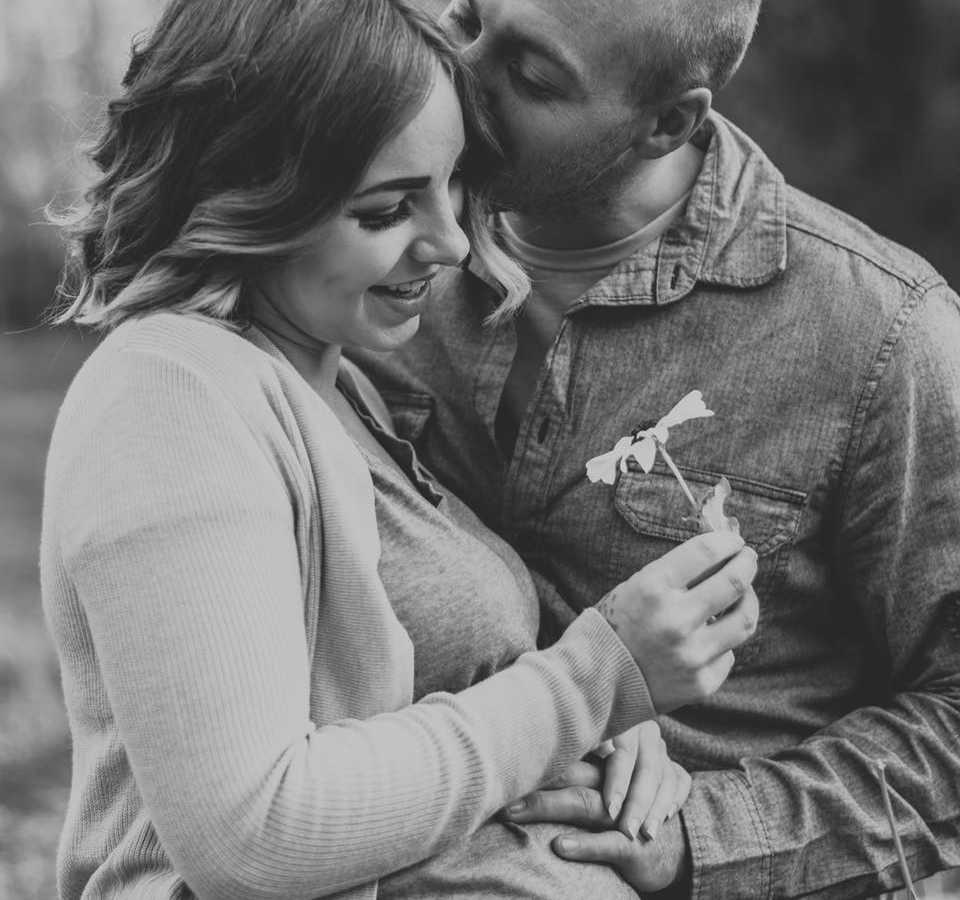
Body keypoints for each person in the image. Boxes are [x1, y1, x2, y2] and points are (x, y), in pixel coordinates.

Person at [40, 1, 763, 898]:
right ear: (253, 194)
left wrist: (591, 718)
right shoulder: (171, 397)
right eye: (387, 209)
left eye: (452, 183)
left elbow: (370, 714)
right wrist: (588, 684)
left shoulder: (332, 379)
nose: (455, 241)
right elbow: (253, 835)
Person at [346, 0, 960, 897]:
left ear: (669, 122)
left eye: (530, 76)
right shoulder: (363, 259)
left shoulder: (884, 336)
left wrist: (700, 843)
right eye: (465, 15)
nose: (458, 72)